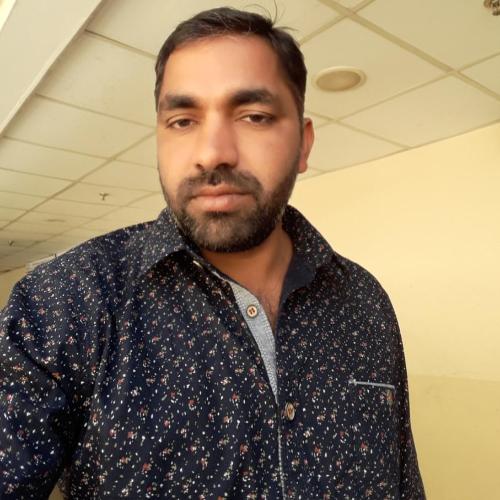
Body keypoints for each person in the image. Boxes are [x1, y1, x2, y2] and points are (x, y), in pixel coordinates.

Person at [0, 7, 425, 499]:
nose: (213, 153)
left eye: (254, 116)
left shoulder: (366, 302)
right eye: (183, 121)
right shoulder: (65, 303)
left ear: (304, 145)